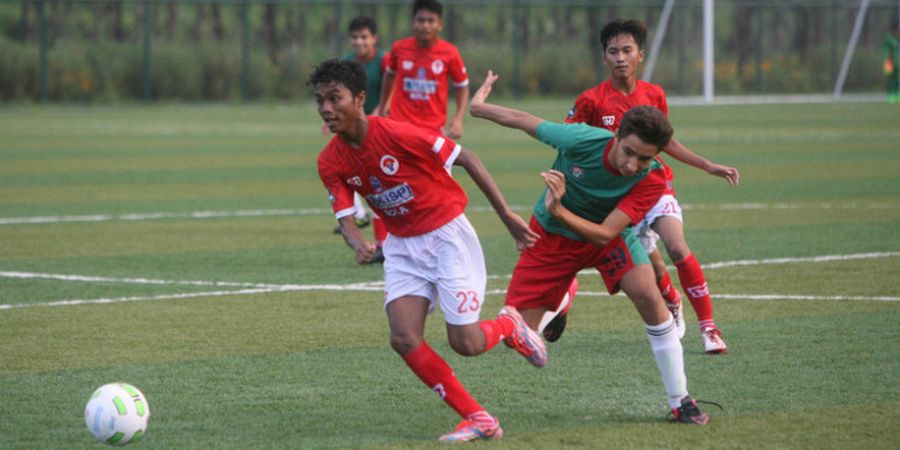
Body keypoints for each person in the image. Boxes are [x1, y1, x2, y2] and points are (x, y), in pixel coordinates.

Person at [311, 59, 546, 442]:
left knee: (466, 343)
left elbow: (467, 158)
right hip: (403, 247)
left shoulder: (396, 133)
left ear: (359, 98)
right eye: (320, 100)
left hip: (447, 236)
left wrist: (505, 215)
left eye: (334, 99)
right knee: (403, 337)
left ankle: (510, 325)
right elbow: (345, 215)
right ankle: (478, 418)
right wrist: (359, 244)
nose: (325, 108)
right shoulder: (329, 160)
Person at [470, 70, 711, 424]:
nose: (633, 165)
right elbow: (524, 120)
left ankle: (681, 400)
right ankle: (564, 295)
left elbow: (603, 234)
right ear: (616, 136)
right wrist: (477, 107)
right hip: (551, 238)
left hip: (605, 237)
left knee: (649, 297)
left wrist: (559, 209)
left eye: (644, 159)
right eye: (629, 152)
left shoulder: (653, 178)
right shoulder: (582, 140)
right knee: (517, 336)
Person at [550, 19, 739, 354]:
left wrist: (707, 164)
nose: (620, 57)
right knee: (650, 263)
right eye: (613, 51)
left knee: (677, 247)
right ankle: (671, 299)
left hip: (653, 185)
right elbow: (569, 142)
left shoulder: (654, 95)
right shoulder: (591, 100)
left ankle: (709, 328)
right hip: (616, 194)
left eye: (627, 50)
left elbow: (666, 143)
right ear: (604, 57)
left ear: (640, 54)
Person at [326, 16, 390, 260]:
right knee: (356, 176)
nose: (359, 41)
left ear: (374, 38)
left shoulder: (384, 60)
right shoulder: (347, 63)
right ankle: (363, 220)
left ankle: (384, 242)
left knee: (379, 182)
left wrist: (380, 111)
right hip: (354, 128)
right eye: (355, 37)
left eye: (364, 37)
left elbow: (393, 87)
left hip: (381, 126)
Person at [373, 0, 469, 140]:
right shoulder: (399, 48)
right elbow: (389, 75)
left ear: (440, 24)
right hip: (400, 124)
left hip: (433, 128)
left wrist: (458, 119)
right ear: (413, 23)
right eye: (421, 20)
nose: (425, 26)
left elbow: (462, 86)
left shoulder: (450, 52)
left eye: (431, 21)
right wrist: (382, 107)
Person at [884, 24, 899, 104]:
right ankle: (890, 96)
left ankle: (897, 95)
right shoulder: (888, 39)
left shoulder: (897, 39)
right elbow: (887, 51)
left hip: (897, 62)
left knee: (897, 79)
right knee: (890, 79)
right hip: (889, 62)